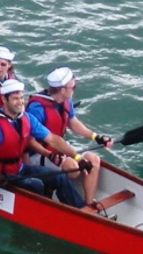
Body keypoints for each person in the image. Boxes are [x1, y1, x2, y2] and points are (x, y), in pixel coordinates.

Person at [0, 79, 86, 208]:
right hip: (0, 175)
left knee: (59, 177)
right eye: (15, 99)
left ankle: (80, 211)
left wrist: (77, 157)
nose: (20, 102)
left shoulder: (27, 118)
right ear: (4, 100)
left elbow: (52, 139)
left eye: (22, 98)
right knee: (36, 185)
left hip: (19, 169)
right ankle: (41, 213)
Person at [26, 67, 114, 211]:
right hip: (39, 153)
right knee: (72, 167)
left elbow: (73, 123)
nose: (74, 89)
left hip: (59, 146)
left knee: (93, 160)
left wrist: (96, 137)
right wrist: (50, 155)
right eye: (73, 87)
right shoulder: (37, 108)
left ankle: (89, 205)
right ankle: (52, 188)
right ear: (62, 90)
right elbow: (29, 140)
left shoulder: (66, 101)